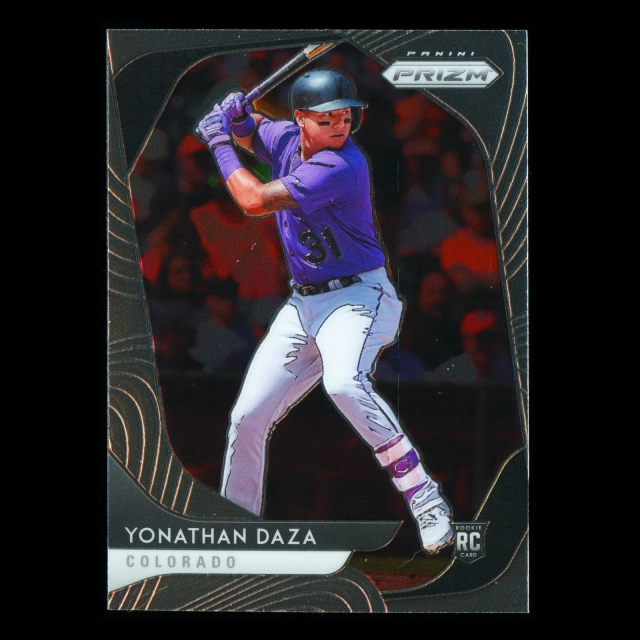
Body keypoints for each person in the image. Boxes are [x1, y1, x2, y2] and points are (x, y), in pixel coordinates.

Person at [195, 68, 454, 553]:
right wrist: (237, 117)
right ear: (300, 119)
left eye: (345, 116)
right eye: (327, 117)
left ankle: (423, 493)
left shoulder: (341, 164)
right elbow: (256, 130)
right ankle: (236, 534)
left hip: (360, 298)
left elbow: (252, 200)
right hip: (305, 302)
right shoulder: (286, 138)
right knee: (247, 417)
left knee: (343, 383)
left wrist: (219, 142)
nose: (339, 124)